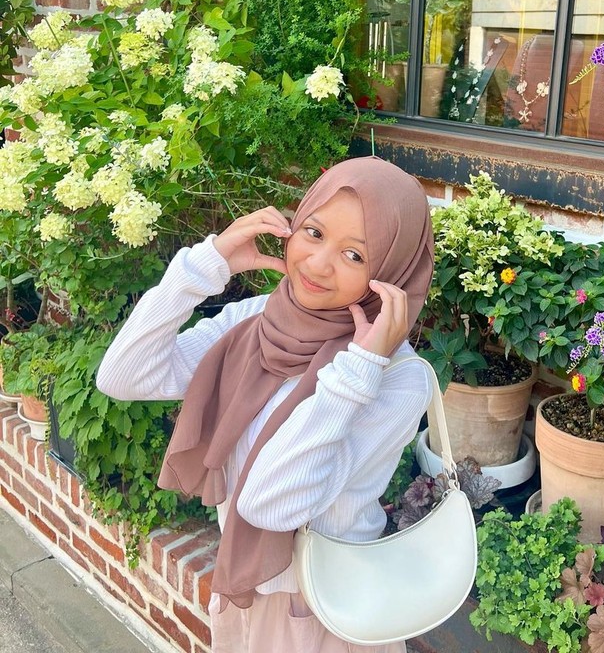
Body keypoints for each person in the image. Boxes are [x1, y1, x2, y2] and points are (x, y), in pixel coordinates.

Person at [96, 157, 436, 653]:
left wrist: (359, 369)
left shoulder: (396, 378)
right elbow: (124, 375)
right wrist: (205, 265)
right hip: (246, 592)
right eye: (314, 233)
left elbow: (268, 504)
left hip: (325, 608)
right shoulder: (257, 319)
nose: (317, 264)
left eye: (355, 255)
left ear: (392, 272)